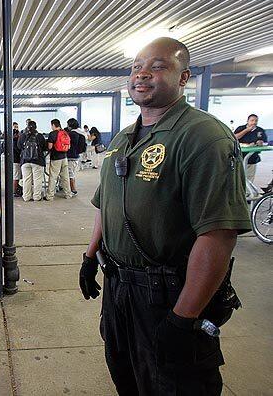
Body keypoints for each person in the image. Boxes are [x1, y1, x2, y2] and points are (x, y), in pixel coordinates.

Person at [79, 37, 250, 395]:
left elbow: (218, 234)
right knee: (127, 376)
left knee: (175, 384)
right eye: (136, 66)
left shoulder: (203, 136)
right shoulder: (124, 138)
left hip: (169, 292)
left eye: (158, 66)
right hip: (120, 289)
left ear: (184, 77)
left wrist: (183, 317)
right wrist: (90, 256)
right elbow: (104, 204)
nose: (142, 73)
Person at [18, 120, 48, 201]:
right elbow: (45, 147)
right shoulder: (40, 136)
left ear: (27, 127)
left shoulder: (22, 136)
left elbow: (19, 146)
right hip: (37, 161)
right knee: (37, 179)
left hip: (25, 161)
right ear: (36, 127)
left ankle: (26, 197)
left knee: (26, 179)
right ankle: (37, 196)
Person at [234, 114, 268, 182]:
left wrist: (260, 142)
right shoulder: (241, 128)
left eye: (256, 121)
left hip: (252, 157)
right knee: (238, 177)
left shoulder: (260, 130)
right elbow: (235, 137)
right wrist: (247, 130)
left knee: (249, 177)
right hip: (240, 157)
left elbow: (265, 141)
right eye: (252, 120)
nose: (254, 122)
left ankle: (248, 192)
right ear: (247, 121)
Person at [45, 119, 73, 200]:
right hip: (64, 157)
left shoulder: (52, 134)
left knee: (53, 177)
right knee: (65, 177)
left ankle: (50, 196)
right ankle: (68, 194)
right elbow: (69, 146)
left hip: (56, 158)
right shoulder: (65, 132)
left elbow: (50, 146)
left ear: (53, 125)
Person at [66, 118, 86, 194]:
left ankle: (73, 189)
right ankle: (71, 188)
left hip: (70, 156)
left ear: (70, 125)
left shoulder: (71, 134)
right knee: (72, 172)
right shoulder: (80, 133)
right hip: (76, 156)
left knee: (70, 173)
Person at [12, 121, 23, 197]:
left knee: (17, 176)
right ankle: (15, 191)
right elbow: (18, 149)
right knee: (16, 177)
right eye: (15, 127)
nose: (16, 128)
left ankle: (16, 190)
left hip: (15, 159)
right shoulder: (14, 140)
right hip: (16, 159)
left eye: (17, 127)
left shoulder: (10, 139)